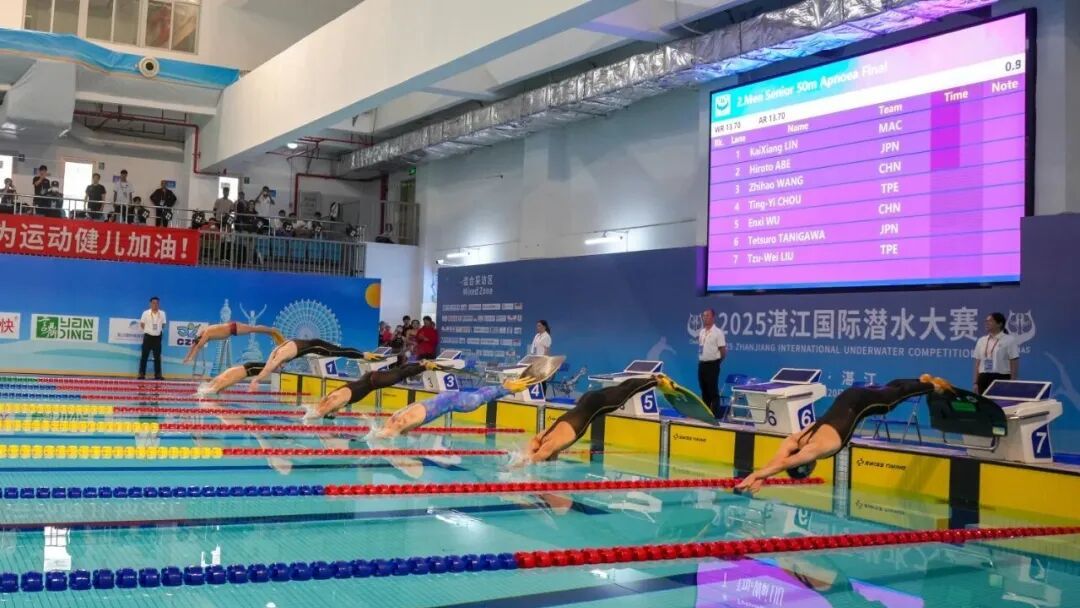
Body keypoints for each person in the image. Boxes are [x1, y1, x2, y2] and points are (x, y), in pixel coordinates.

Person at [734, 375, 952, 494]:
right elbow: (780, 459)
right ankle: (922, 380)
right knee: (891, 389)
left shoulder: (814, 450)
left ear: (806, 466)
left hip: (859, 403)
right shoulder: (797, 439)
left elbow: (783, 463)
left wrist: (756, 476)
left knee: (891, 399)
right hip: (849, 397)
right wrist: (760, 476)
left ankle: (933, 386)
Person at [521, 374, 679, 463]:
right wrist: (525, 455)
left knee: (626, 392)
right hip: (587, 399)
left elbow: (536, 458)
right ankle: (652, 378)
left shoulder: (551, 446)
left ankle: (656, 381)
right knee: (622, 389)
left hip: (596, 405)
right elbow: (533, 445)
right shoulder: (543, 436)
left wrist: (519, 465)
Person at [302, 359, 437, 420]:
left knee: (400, 374)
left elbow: (318, 413)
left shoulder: (335, 401)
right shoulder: (332, 397)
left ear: (330, 412)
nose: (336, 413)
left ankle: (424, 366)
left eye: (333, 414)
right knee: (398, 371)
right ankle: (421, 363)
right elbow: (321, 406)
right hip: (369, 377)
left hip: (373, 382)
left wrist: (305, 419)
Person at [247, 338, 372, 390]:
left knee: (340, 351)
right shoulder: (275, 352)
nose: (282, 367)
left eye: (280, 366)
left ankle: (363, 355)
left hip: (317, 347)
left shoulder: (280, 357)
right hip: (314, 343)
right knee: (340, 350)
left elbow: (268, 368)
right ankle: (363, 354)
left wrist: (256, 380)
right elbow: (268, 365)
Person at [181, 322, 286, 364]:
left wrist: (191, 358)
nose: (201, 342)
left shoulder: (206, 334)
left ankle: (272, 330)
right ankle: (271, 332)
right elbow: (194, 345)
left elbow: (198, 346)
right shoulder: (203, 332)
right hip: (231, 327)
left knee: (253, 329)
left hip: (233, 328)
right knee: (253, 329)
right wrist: (187, 357)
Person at [973, 312, 1020, 395]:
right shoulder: (981, 340)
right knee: (984, 402)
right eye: (986, 321)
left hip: (1001, 378)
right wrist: (975, 382)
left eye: (990, 321)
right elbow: (977, 363)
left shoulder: (1009, 340)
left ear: (999, 324)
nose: (987, 323)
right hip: (983, 378)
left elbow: (1013, 361)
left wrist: (1013, 382)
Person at [697, 308, 727, 418]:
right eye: (704, 316)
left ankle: (714, 416)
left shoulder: (718, 332)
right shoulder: (702, 332)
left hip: (713, 365)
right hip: (702, 364)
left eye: (708, 316)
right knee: (704, 390)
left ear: (713, 317)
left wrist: (717, 362)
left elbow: (723, 350)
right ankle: (705, 415)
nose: (705, 318)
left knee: (713, 391)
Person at [138, 296, 167, 380]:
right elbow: (142, 324)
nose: (155, 304)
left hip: (157, 337)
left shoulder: (162, 313)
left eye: (157, 303)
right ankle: (141, 374)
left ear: (159, 304)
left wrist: (156, 331)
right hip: (148, 336)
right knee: (144, 356)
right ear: (150, 304)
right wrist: (149, 330)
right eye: (153, 303)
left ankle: (158, 375)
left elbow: (163, 324)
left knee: (157, 357)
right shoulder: (145, 313)